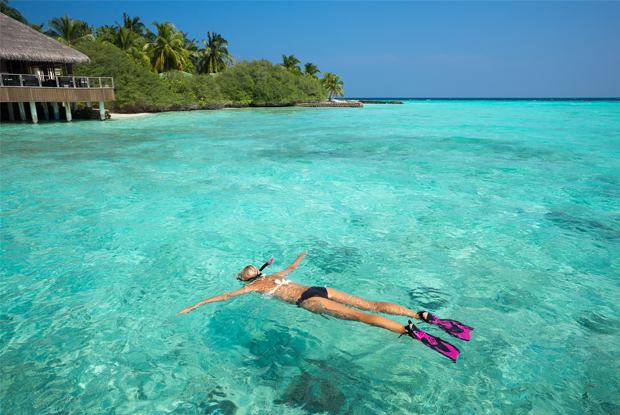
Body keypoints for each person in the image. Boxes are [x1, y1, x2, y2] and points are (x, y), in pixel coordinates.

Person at [177, 252, 473, 361]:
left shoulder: (253, 286)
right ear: (257, 271)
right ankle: (418, 314)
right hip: (316, 288)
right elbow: (292, 266)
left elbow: (225, 297)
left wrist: (195, 305)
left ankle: (409, 331)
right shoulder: (274, 275)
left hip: (309, 300)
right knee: (371, 304)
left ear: (245, 277)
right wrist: (300, 258)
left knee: (362, 316)